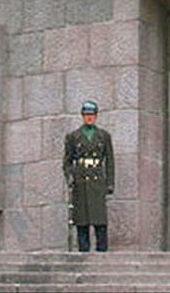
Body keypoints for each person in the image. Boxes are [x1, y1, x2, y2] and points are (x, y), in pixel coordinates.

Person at [63, 101, 115, 252]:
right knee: (82, 221)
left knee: (100, 221)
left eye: (92, 115)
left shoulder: (104, 136)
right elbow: (67, 161)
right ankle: (83, 253)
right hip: (81, 181)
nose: (89, 117)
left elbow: (110, 161)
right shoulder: (73, 136)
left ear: (96, 116)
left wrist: (110, 183)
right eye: (87, 115)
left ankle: (102, 251)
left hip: (97, 180)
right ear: (82, 116)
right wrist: (70, 176)